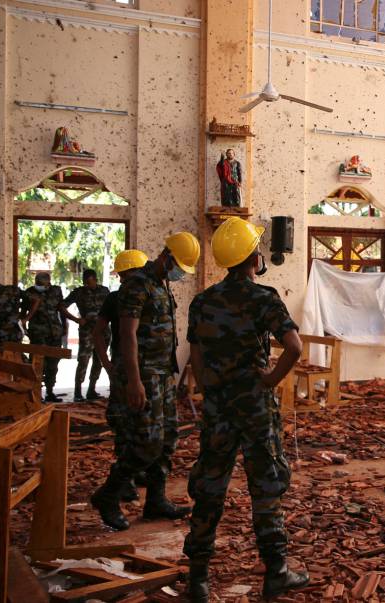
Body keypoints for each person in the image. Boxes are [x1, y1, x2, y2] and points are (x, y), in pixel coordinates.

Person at [184, 217, 307, 602]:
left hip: (219, 409)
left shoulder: (202, 301)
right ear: (253, 257)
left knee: (209, 489)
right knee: (266, 488)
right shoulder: (263, 298)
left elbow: (196, 356)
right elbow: (295, 347)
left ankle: (199, 579)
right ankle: (276, 573)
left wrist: (209, 391)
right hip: (254, 407)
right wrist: (270, 380)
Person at [90, 232, 200, 531]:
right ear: (166, 256)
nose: (179, 273)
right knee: (147, 443)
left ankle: (156, 500)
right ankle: (109, 494)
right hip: (143, 376)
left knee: (167, 439)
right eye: (178, 265)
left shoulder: (160, 284)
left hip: (162, 374)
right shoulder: (137, 285)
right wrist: (134, 381)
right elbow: (127, 335)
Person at [93, 249, 148, 503]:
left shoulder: (151, 294)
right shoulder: (115, 299)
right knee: (125, 423)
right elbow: (98, 332)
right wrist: (107, 365)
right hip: (125, 371)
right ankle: (124, 482)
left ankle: (136, 472)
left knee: (142, 425)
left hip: (143, 370)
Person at [63, 269, 111, 401]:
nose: (87, 285)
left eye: (89, 282)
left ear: (95, 279)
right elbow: (61, 306)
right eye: (85, 282)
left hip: (103, 332)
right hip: (87, 332)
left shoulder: (105, 291)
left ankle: (92, 390)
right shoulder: (79, 292)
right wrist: (77, 320)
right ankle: (78, 392)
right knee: (83, 361)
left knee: (99, 361)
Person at [25, 272, 65, 403]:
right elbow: (23, 311)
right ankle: (36, 393)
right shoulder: (29, 292)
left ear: (49, 282)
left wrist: (64, 327)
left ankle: (50, 391)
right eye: (37, 283)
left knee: (53, 364)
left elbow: (61, 308)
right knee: (38, 363)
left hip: (55, 332)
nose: (39, 286)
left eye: (42, 284)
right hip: (38, 333)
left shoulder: (56, 290)